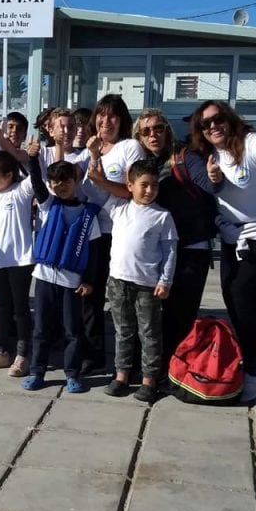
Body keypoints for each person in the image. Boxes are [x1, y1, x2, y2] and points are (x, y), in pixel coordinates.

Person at [190, 100, 256, 402]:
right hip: (232, 235)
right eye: (205, 124)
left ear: (230, 119)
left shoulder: (251, 143)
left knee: (245, 296)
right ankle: (248, 361)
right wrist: (212, 179)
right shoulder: (210, 155)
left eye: (218, 119)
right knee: (233, 299)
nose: (213, 126)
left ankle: (253, 370)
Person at [132, 108, 218, 381]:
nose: (153, 134)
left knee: (180, 314)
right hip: (158, 249)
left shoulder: (184, 157)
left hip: (191, 247)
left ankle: (174, 371)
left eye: (158, 128)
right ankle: (152, 367)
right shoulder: (146, 164)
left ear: (167, 130)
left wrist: (215, 177)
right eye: (146, 131)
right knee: (152, 313)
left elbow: (209, 186)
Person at [21, 160, 101, 393]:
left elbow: (94, 253)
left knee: (72, 331)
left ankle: (72, 374)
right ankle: (37, 372)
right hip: (45, 278)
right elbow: (36, 183)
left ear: (76, 181)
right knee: (41, 329)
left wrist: (88, 281)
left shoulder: (89, 216)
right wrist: (33, 160)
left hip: (71, 282)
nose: (60, 185)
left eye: (65, 180)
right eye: (55, 181)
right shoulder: (47, 205)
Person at [103, 159, 178, 402]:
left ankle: (149, 379)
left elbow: (170, 252)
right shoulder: (119, 209)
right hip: (118, 282)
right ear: (130, 186)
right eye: (143, 185)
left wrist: (165, 281)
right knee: (123, 330)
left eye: (154, 185)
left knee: (149, 332)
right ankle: (122, 375)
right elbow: (95, 189)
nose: (149, 190)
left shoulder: (162, 216)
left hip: (148, 285)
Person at [82, 94, 146, 375]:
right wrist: (93, 156)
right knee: (90, 295)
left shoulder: (130, 147)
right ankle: (93, 354)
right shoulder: (91, 149)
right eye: (101, 115)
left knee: (124, 299)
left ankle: (130, 359)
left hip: (122, 232)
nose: (105, 121)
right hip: (94, 232)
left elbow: (134, 191)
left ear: (122, 121)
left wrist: (101, 181)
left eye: (112, 116)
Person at [0, 146, 44, 376]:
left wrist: (32, 157)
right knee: (2, 307)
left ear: (9, 175)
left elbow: (37, 177)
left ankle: (23, 354)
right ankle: (2, 350)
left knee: (20, 308)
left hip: (21, 260)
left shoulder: (21, 191)